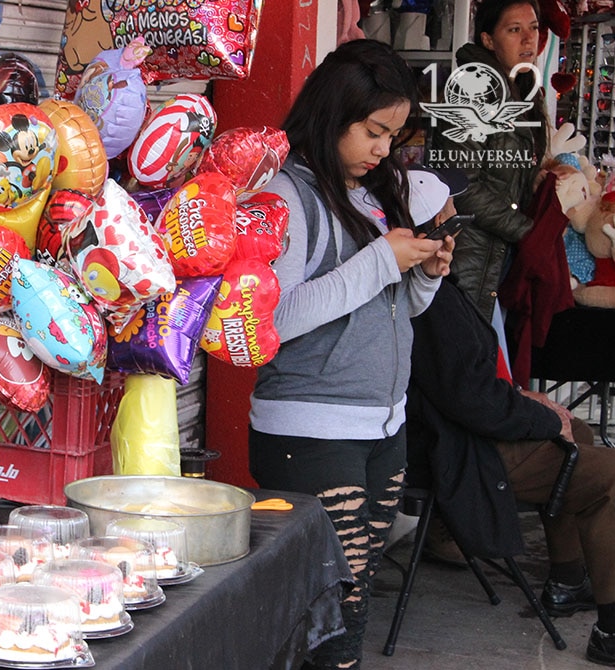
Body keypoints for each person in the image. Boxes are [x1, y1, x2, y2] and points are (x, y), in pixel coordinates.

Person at [248, 39, 455, 670]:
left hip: (379, 423)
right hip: (310, 430)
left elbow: (396, 312)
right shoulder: (287, 197)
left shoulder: (369, 192)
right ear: (335, 113)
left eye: (393, 135)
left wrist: (424, 274)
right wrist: (379, 262)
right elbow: (274, 318)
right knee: (334, 604)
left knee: (350, 602)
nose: (383, 150)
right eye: (373, 131)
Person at [407, 278, 615, 667]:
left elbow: (470, 388)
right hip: (455, 451)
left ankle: (568, 582)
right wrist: (542, 419)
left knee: (580, 431)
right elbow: (471, 400)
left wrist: (524, 398)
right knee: (607, 473)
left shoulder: (434, 289)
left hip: (457, 435)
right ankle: (610, 634)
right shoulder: (429, 297)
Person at [431, 0, 549, 322]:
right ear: (487, 39)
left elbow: (504, 173)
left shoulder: (521, 89)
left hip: (498, 258)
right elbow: (463, 186)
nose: (528, 40)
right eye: (514, 30)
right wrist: (529, 232)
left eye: (533, 28)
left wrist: (539, 175)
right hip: (470, 259)